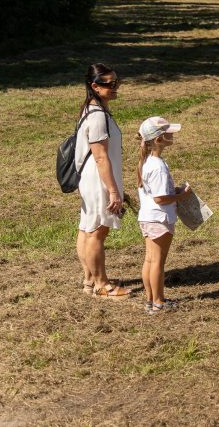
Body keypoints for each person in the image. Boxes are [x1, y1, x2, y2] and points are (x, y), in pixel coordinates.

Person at [75, 63, 131, 299]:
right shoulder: (97, 116)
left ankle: (89, 280)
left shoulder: (92, 109)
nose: (115, 87)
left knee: (87, 229)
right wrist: (114, 191)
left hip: (91, 178)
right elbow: (100, 156)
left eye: (117, 82)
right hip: (98, 180)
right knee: (98, 231)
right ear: (95, 86)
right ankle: (101, 284)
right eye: (110, 84)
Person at [136, 116, 191, 314]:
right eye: (168, 133)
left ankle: (150, 300)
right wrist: (181, 195)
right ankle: (159, 302)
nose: (172, 135)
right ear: (159, 139)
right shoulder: (158, 166)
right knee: (158, 261)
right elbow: (160, 198)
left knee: (150, 259)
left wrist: (172, 191)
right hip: (160, 218)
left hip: (147, 217)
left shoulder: (148, 162)